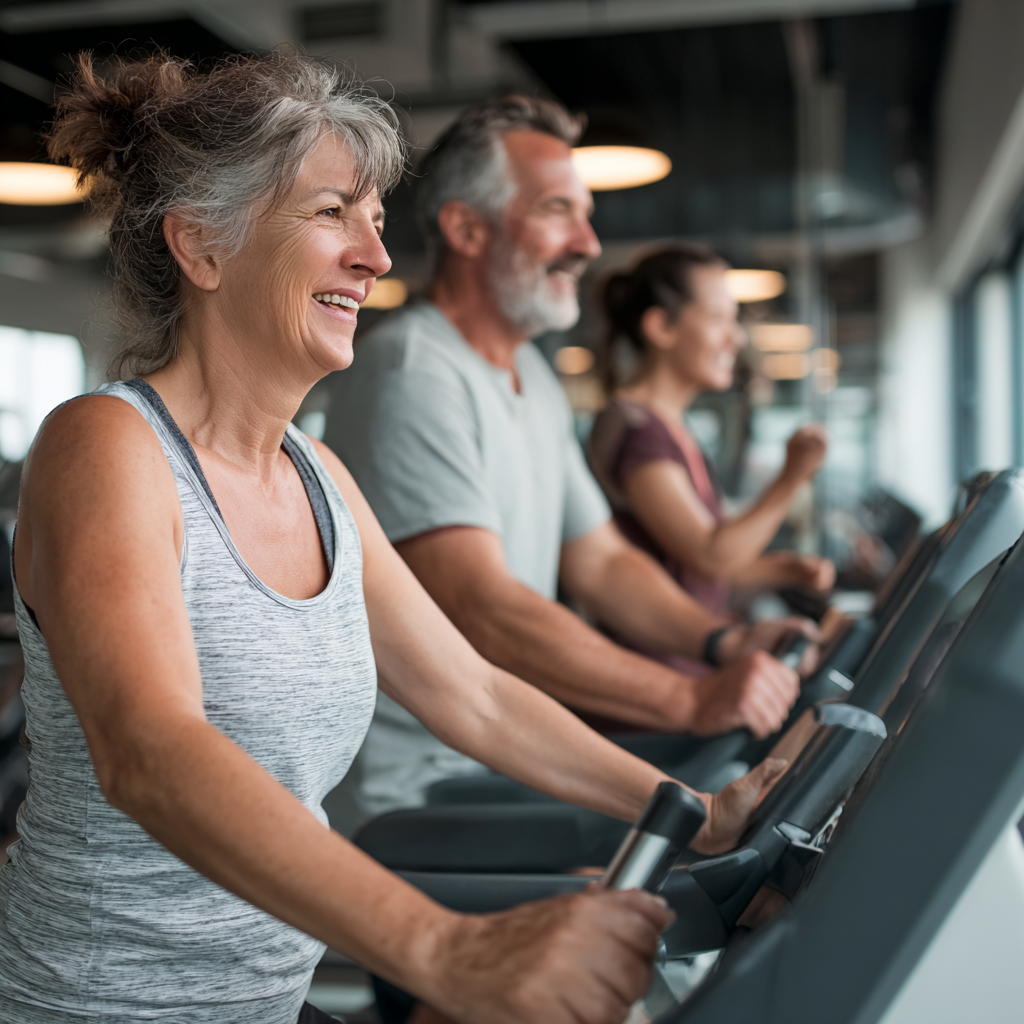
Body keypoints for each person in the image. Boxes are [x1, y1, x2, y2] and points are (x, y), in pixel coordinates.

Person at [0, 53, 786, 1024]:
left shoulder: (320, 479)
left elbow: (480, 697)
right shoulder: (108, 446)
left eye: (374, 220)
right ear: (203, 247)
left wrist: (693, 810)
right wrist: (445, 947)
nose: (375, 257)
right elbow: (151, 750)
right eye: (332, 213)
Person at [322, 95, 815, 832]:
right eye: (558, 210)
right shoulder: (415, 372)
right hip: (418, 792)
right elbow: (483, 610)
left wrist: (723, 642)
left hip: (503, 752)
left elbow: (603, 564)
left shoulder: (533, 378)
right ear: (464, 227)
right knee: (702, 865)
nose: (588, 242)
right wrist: (687, 697)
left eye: (585, 214)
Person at [587, 245, 835, 630]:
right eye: (719, 318)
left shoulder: (671, 427)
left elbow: (701, 570)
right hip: (658, 670)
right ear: (662, 328)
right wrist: (791, 477)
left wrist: (787, 569)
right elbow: (710, 555)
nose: (735, 338)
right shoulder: (639, 433)